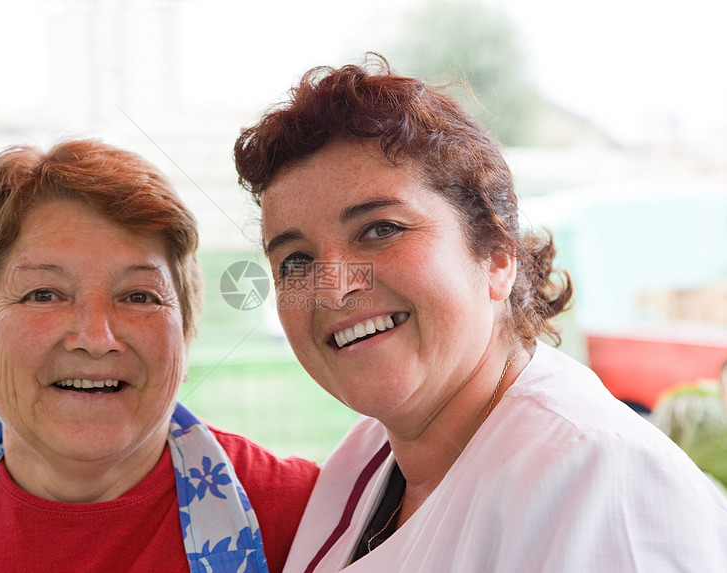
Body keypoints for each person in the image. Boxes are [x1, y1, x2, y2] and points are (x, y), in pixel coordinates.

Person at [233, 55, 727, 571]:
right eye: (296, 260)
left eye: (381, 229)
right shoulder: (368, 455)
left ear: (496, 255)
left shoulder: (601, 483)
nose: (332, 291)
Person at [0, 139, 318, 573]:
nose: (96, 338)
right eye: (43, 294)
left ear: (185, 331)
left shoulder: (313, 518)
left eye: (140, 296)